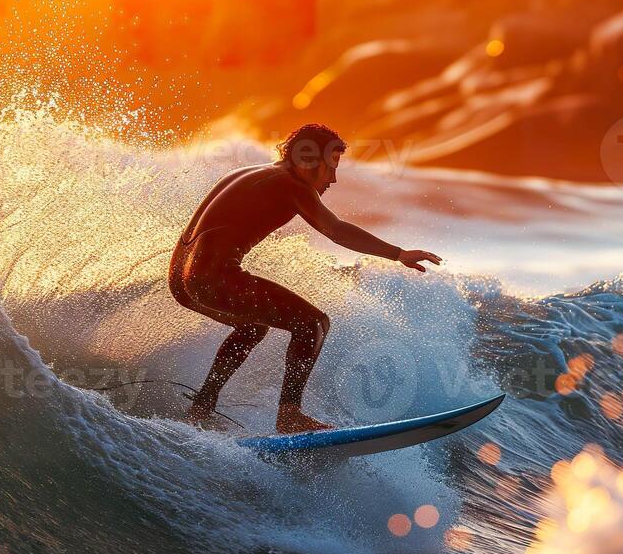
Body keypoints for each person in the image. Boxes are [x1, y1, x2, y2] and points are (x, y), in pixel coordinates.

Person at [169, 124, 442, 433]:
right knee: (312, 323)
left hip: (183, 281)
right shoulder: (291, 184)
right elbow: (336, 230)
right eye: (331, 168)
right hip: (212, 278)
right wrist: (398, 254)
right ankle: (290, 416)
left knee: (253, 327)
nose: (333, 179)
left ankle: (202, 407)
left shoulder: (250, 173)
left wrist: (194, 280)